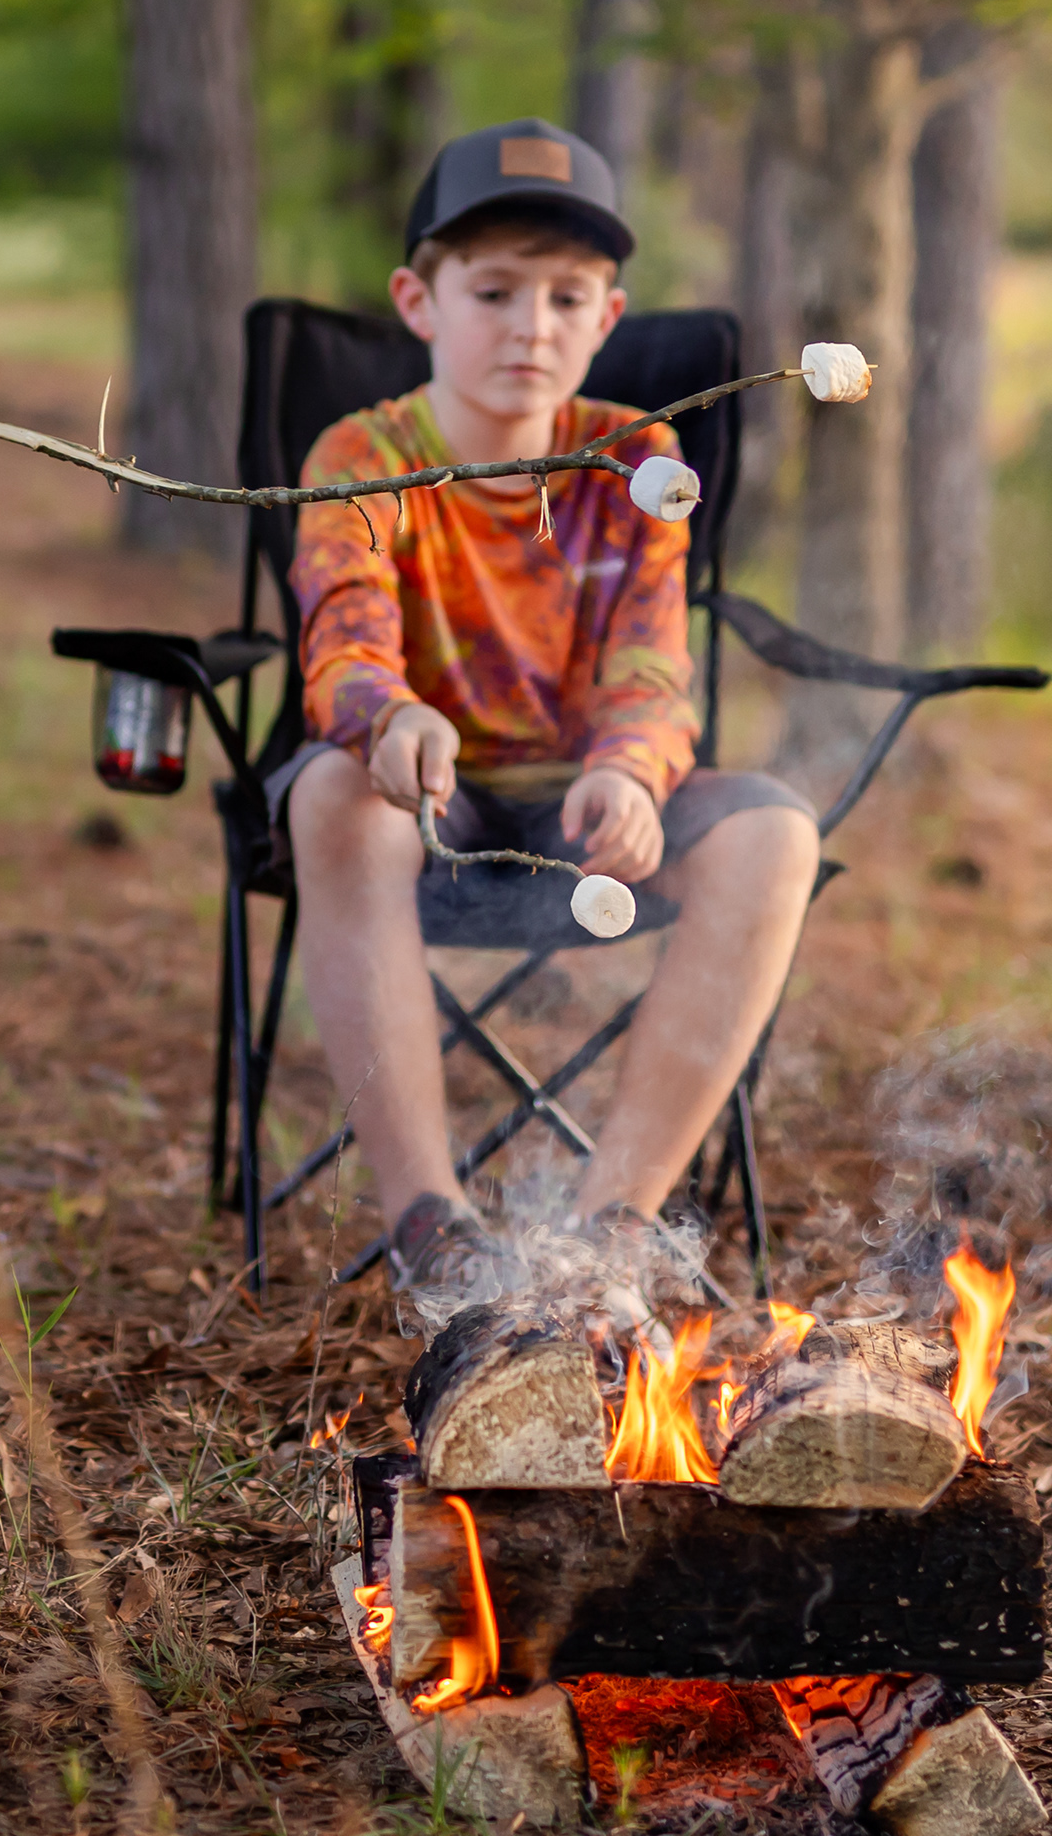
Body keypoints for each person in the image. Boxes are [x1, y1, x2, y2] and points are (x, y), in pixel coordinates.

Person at [281, 123, 822, 1313]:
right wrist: (387, 720)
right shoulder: (362, 457)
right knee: (331, 787)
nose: (531, 325)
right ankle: (434, 1227)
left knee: (773, 832)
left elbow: (650, 662)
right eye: (495, 291)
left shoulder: (640, 460)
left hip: (589, 814)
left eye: (565, 297)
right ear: (418, 301)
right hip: (431, 804)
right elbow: (344, 633)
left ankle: (609, 1233)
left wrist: (632, 772)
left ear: (608, 316)